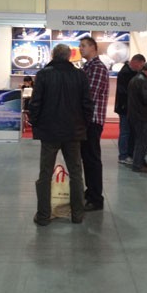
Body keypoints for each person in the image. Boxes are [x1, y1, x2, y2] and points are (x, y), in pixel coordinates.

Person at [28, 44, 93, 226]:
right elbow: (87, 103)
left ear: (53, 55)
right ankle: (77, 214)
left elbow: (35, 103)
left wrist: (35, 123)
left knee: (45, 174)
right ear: (69, 56)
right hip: (73, 132)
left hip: (49, 132)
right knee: (76, 173)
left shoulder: (43, 75)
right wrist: (84, 124)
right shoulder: (80, 75)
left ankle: (43, 215)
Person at [79, 37, 110, 211]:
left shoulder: (97, 68)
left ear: (93, 47)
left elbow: (89, 95)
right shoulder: (87, 67)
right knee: (87, 158)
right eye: (80, 46)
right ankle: (90, 191)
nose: (80, 48)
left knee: (92, 159)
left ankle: (96, 198)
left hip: (92, 120)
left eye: (83, 46)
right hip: (86, 120)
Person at [114, 54, 145, 166]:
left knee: (130, 132)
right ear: (136, 62)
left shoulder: (132, 72)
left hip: (130, 107)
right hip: (124, 107)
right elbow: (124, 91)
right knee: (125, 132)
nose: (141, 68)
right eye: (141, 65)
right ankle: (123, 155)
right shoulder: (125, 73)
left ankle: (129, 154)